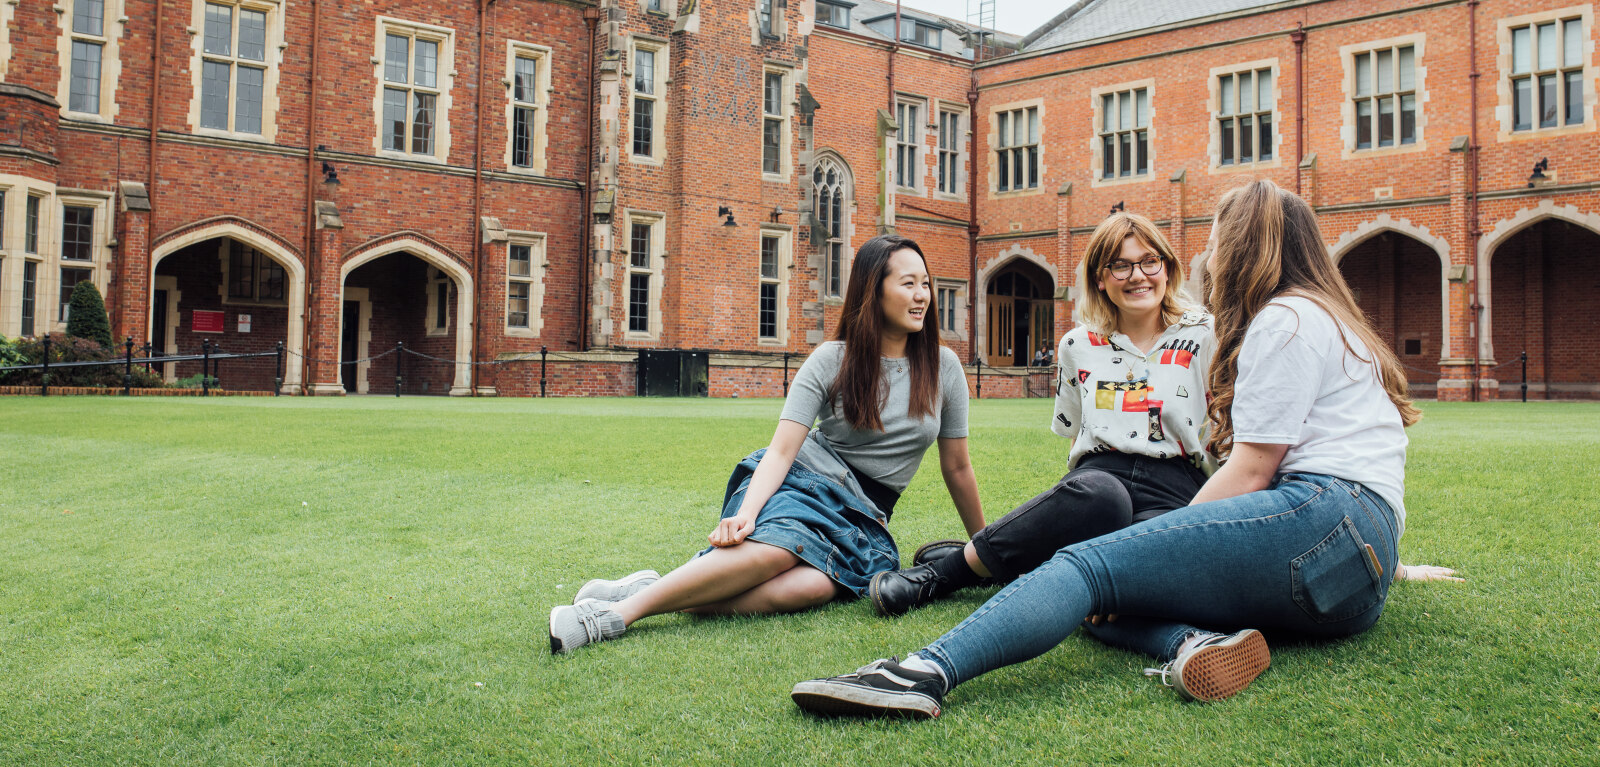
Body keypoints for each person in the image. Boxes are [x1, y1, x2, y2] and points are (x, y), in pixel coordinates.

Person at [790, 179, 1444, 718]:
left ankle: (919, 671)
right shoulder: (1330, 318)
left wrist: (1150, 547)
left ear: (1245, 244)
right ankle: (1194, 643)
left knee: (1086, 567)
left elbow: (1252, 468)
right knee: (1118, 588)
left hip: (1323, 522)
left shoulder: (1284, 318)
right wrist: (1389, 559)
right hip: (1354, 585)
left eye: (1215, 236)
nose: (1209, 251)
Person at [550, 234, 984, 653]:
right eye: (908, 283)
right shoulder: (832, 359)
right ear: (873, 291)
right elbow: (781, 450)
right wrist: (746, 515)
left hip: (864, 517)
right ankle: (614, 617)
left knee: (813, 587)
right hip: (805, 485)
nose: (922, 295)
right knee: (778, 553)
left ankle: (660, 587)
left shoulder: (943, 367)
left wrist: (987, 549)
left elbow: (958, 468)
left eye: (925, 283)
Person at [869, 212, 1220, 636]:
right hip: (1099, 481)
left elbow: (1222, 428)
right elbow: (1076, 437)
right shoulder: (1077, 345)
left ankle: (1035, 566)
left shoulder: (1205, 335)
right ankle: (943, 576)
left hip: (1175, 486)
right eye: (1121, 265)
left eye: (1150, 262)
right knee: (1101, 497)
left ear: (1167, 267)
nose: (1138, 276)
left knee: (1135, 568)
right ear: (1100, 278)